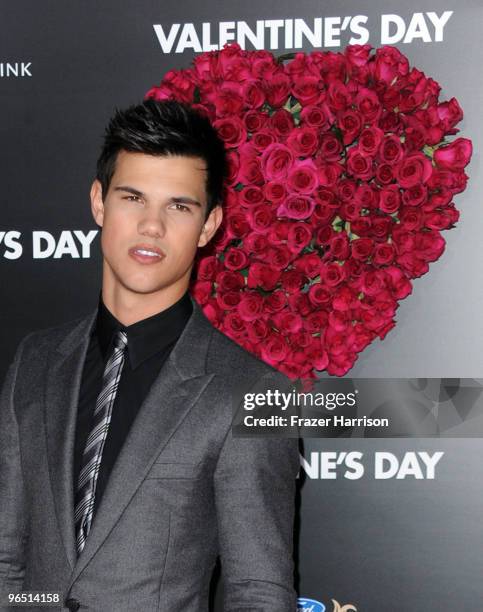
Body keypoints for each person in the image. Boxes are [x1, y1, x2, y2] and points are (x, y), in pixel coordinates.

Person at [0, 100, 299, 612]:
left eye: (179, 206)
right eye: (133, 197)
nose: (152, 226)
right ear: (99, 202)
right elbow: (6, 561)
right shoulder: (36, 361)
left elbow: (258, 592)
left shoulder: (251, 392)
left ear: (209, 226)